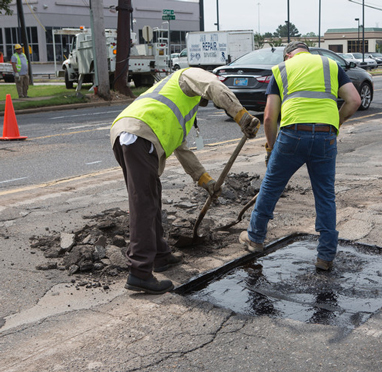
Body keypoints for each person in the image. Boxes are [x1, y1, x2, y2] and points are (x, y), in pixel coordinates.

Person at [111, 67, 261, 294]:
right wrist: (241, 115)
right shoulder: (189, 75)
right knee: (143, 203)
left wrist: (206, 181)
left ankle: (161, 255)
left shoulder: (182, 107)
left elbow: (183, 151)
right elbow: (214, 86)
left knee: (151, 196)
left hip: (134, 136)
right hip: (137, 134)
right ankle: (139, 271)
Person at [239, 41, 361, 271]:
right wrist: (336, 122)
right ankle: (325, 256)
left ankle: (255, 238)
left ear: (288, 56)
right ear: (308, 52)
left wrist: (272, 148)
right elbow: (354, 100)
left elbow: (268, 118)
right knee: (325, 195)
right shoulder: (330, 64)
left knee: (271, 187)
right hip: (326, 136)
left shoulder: (282, 69)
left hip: (292, 134)